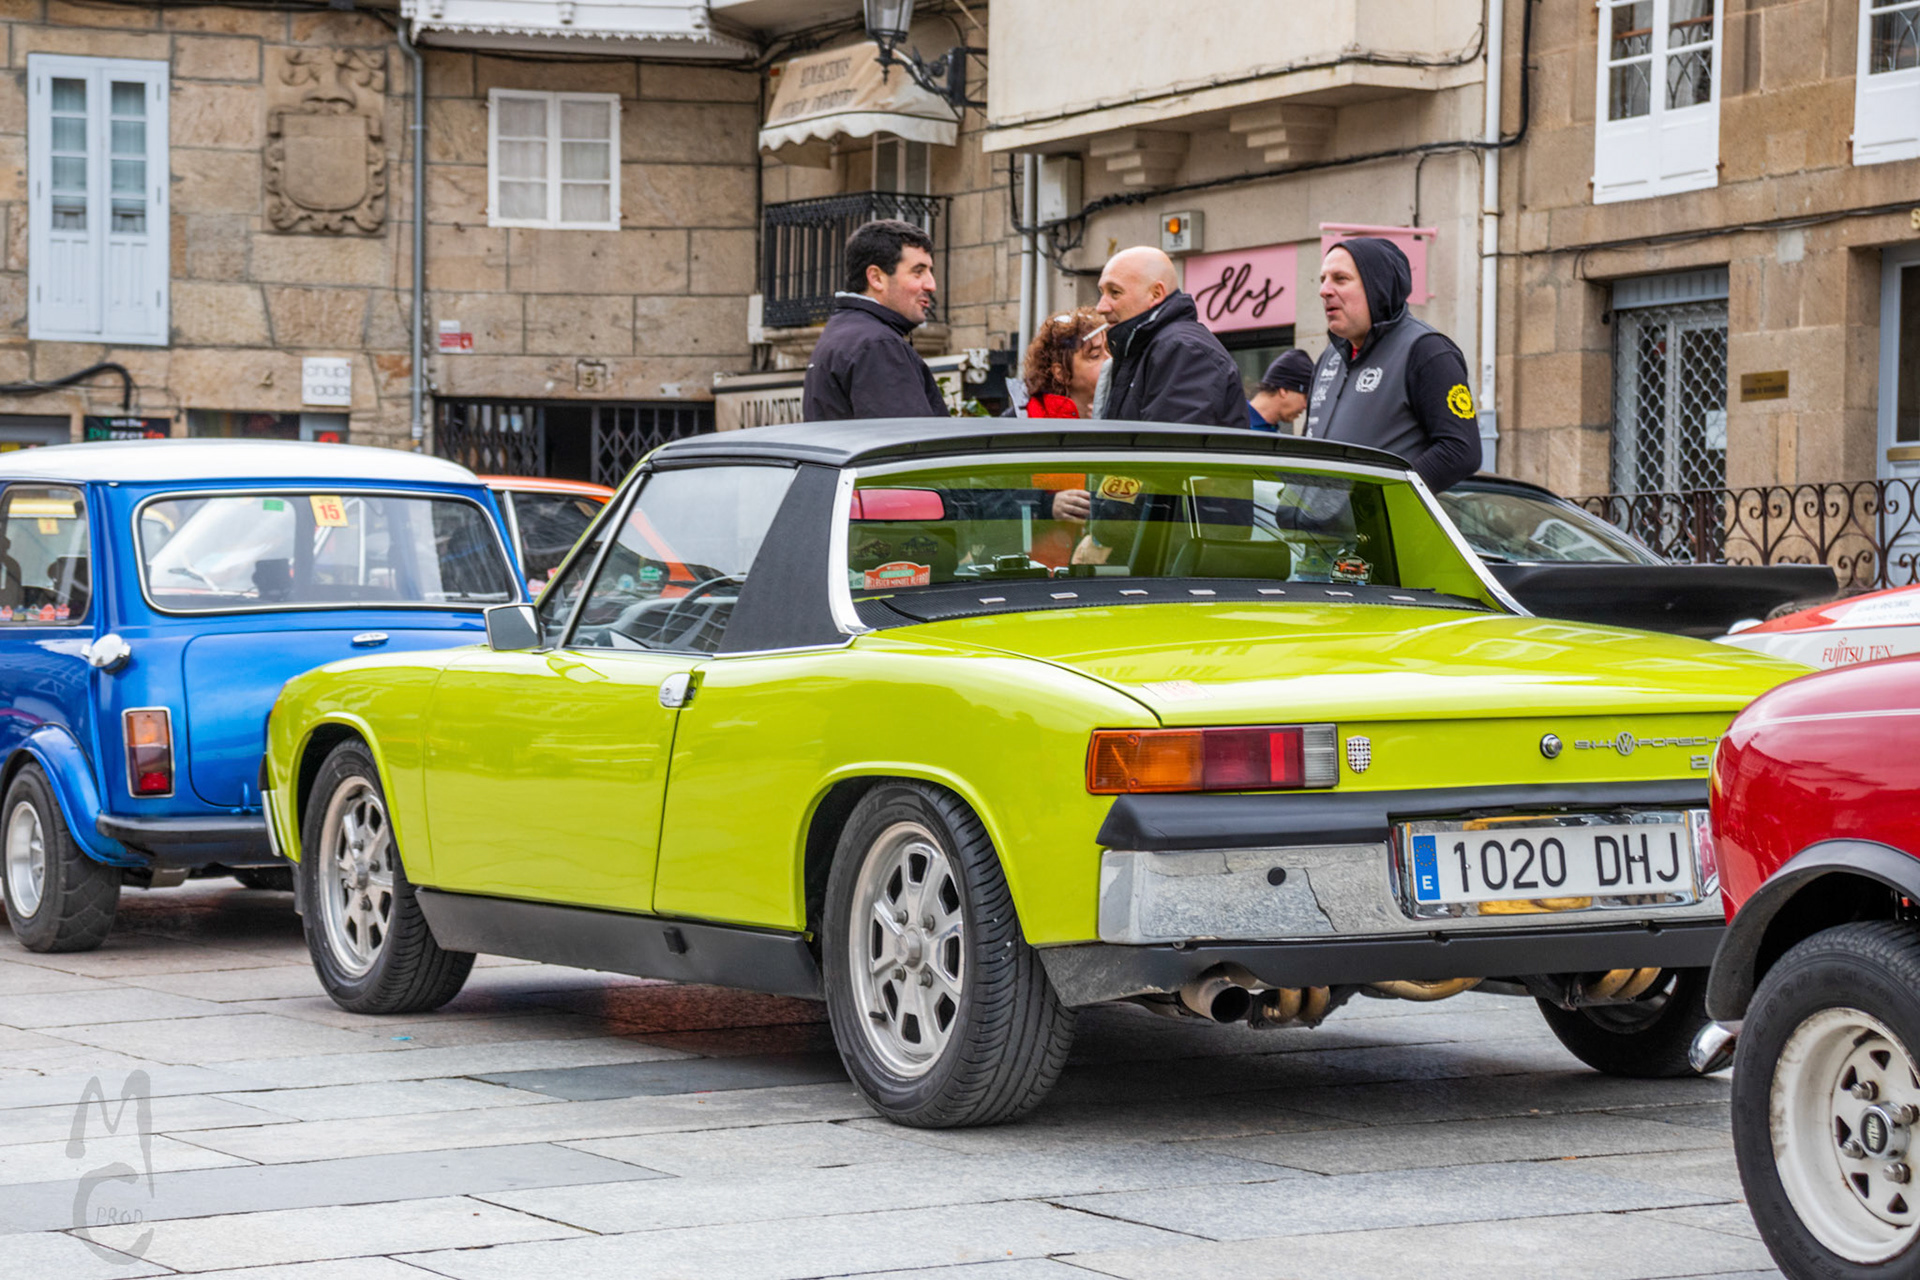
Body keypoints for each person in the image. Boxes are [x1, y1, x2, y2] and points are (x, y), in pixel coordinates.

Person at [1301, 237, 1481, 492]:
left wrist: (1382, 499)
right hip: (1310, 519)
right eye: (1323, 279)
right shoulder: (1329, 358)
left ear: (1377, 286)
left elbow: (1461, 450)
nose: (1324, 290)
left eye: (1340, 279)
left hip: (1377, 518)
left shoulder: (1426, 351)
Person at [802, 219, 948, 422]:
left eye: (930, 272)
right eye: (918, 272)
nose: (931, 285)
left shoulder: (845, 333)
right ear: (876, 278)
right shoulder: (877, 344)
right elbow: (909, 436)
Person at [1093, 246, 1245, 428]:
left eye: (1115, 292)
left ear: (1156, 294)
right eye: (1102, 293)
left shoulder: (1183, 350)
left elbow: (1172, 443)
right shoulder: (1151, 347)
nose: (1101, 307)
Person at [1020, 309, 1109, 419]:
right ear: (1062, 373)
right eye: (1095, 355)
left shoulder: (1123, 409)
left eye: (1109, 350)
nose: (1110, 359)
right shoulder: (1025, 422)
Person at [1247, 349, 1314, 432]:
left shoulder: (1272, 432)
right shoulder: (1235, 423)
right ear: (1284, 391)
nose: (1305, 406)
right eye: (1305, 397)